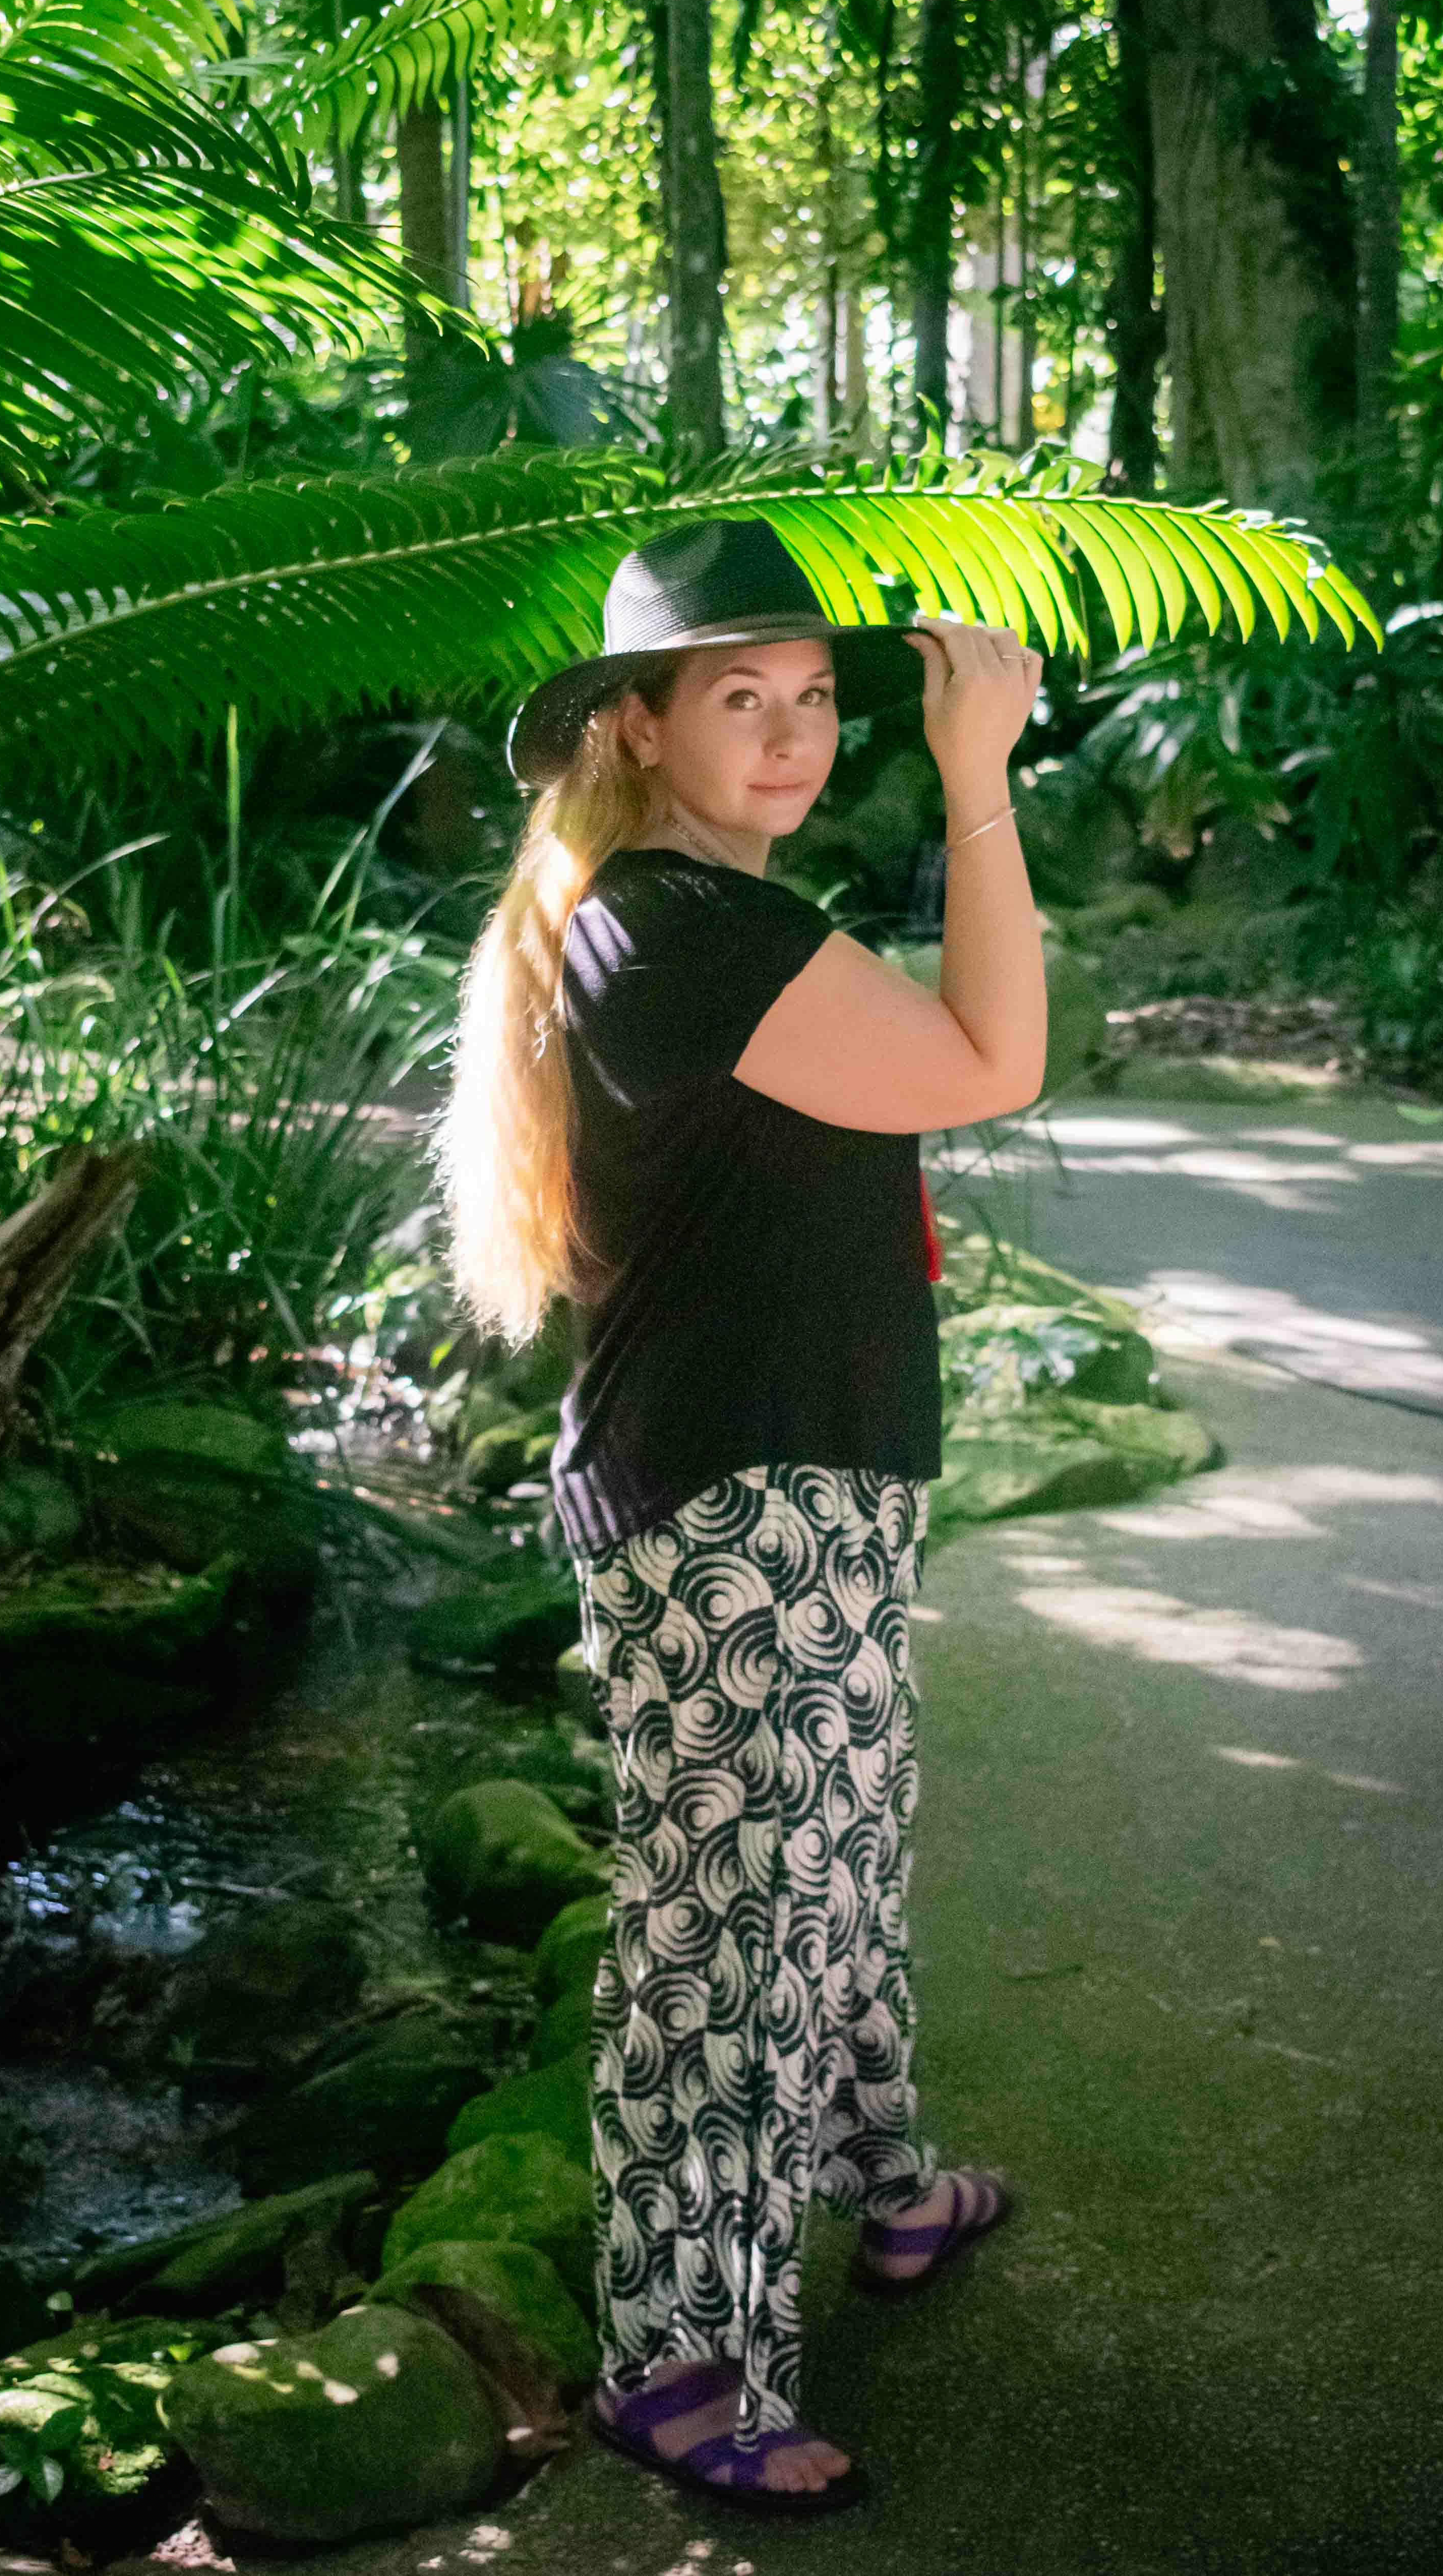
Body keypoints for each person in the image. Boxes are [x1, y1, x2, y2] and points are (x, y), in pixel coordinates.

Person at [430, 517, 1047, 2518]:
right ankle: (674, 2362)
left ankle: (884, 2184)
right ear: (640, 724)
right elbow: (993, 1061)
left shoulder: (697, 911)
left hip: (806, 1475)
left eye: (808, 700)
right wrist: (977, 779)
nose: (790, 736)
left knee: (833, 1866)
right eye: (738, 699)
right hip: (727, 1504)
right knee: (727, 1937)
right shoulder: (680, 928)